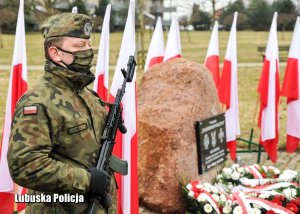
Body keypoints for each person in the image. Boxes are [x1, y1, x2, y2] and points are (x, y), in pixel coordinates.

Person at [7, 12, 117, 213]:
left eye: (88, 45)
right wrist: (87, 180)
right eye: (79, 46)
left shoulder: (88, 95)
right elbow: (24, 166)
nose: (88, 51)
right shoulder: (37, 102)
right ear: (55, 53)